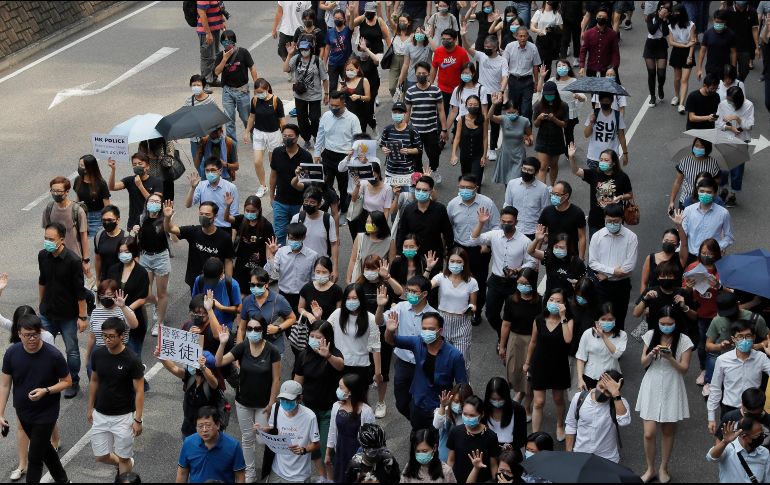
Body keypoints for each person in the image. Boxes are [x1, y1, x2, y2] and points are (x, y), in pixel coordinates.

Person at [0, 315, 71, 484]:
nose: (32, 338)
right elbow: (4, 385)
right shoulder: (12, 353)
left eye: (35, 334)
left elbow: (67, 381)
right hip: (23, 412)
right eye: (27, 335)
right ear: (19, 334)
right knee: (45, 449)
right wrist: (0, 413)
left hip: (46, 413)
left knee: (35, 457)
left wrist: (46, 390)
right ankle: (63, 480)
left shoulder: (53, 355)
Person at [215, 319, 280, 483]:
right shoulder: (243, 346)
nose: (252, 331)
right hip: (243, 402)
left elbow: (276, 379)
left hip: (263, 405)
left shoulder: (272, 351)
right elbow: (218, 362)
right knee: (247, 438)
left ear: (263, 330)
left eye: (257, 328)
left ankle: (269, 471)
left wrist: (272, 402)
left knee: (263, 438)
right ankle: (250, 473)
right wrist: (222, 344)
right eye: (249, 328)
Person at [637, 306, 694, 483]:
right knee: (649, 432)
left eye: (670, 323)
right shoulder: (651, 334)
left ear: (676, 323)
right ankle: (650, 468)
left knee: (668, 431)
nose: (665, 326)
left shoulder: (684, 340)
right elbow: (643, 362)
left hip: (672, 384)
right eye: (662, 323)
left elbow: (684, 369)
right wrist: (652, 353)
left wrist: (670, 358)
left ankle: (663, 467)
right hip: (652, 382)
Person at [375, 276, 438, 420]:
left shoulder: (434, 315)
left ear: (424, 294)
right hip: (403, 364)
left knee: (420, 402)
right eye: (408, 290)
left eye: (414, 291)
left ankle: (420, 430)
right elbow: (379, 321)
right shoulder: (400, 307)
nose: (410, 294)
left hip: (423, 365)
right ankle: (419, 423)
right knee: (401, 404)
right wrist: (380, 306)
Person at [87, 317, 144, 476]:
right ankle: (123, 464)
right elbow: (94, 380)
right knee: (101, 456)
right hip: (100, 414)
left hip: (123, 417)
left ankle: (124, 469)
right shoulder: (98, 354)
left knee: (124, 457)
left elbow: (139, 390)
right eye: (104, 335)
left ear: (121, 336)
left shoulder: (132, 359)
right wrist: (90, 407)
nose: (107, 339)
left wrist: (138, 420)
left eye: (111, 336)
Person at [470, 206, 538, 337]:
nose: (506, 224)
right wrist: (481, 223)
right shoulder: (494, 234)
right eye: (503, 221)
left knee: (511, 314)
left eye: (509, 222)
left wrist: (518, 270)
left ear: (516, 222)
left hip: (514, 283)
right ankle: (503, 335)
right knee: (490, 314)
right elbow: (474, 240)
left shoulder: (524, 241)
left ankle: (505, 339)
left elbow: (532, 262)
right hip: (496, 281)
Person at [38, 222, 88, 399]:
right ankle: (47, 379)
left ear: (61, 239)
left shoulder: (73, 261)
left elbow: (80, 292)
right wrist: (41, 304)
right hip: (47, 313)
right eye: (45, 238)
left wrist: (82, 316)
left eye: (51, 239)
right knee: (42, 346)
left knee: (72, 350)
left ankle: (73, 380)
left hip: (67, 315)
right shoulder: (43, 255)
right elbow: (42, 281)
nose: (47, 242)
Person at [447, 174, 498, 324]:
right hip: (459, 248)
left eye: (469, 188)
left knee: (479, 282)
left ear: (476, 188)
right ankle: (459, 309)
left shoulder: (487, 203)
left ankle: (476, 311)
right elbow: (449, 227)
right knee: (457, 280)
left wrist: (487, 244)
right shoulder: (453, 204)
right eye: (462, 187)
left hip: (479, 249)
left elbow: (496, 226)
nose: (465, 190)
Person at [525, 289, 574, 439]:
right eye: (551, 299)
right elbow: (533, 342)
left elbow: (567, 339)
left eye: (558, 301)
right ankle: (535, 436)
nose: (554, 303)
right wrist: (527, 362)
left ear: (565, 304)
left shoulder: (568, 321)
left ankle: (560, 424)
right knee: (539, 402)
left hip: (558, 365)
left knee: (558, 399)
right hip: (539, 363)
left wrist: (563, 316)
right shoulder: (539, 320)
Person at [708, 320, 770, 433]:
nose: (744, 340)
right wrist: (711, 417)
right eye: (740, 337)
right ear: (733, 339)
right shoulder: (722, 360)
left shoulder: (761, 358)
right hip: (729, 409)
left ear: (754, 337)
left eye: (748, 336)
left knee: (753, 443)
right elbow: (715, 388)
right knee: (727, 444)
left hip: (753, 411)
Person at [459, 27, 508, 162]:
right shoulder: (481, 56)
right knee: (479, 120)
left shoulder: (502, 61)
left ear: (496, 47)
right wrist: (463, 36)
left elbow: (505, 77)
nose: (486, 48)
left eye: (489, 47)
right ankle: (479, 146)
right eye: (485, 46)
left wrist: (501, 91)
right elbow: (468, 49)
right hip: (480, 93)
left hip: (494, 95)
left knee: (494, 121)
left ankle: (492, 148)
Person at [427, 248, 478, 374]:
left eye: (459, 262)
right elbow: (424, 287)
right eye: (452, 261)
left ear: (464, 263)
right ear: (447, 261)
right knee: (441, 361)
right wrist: (428, 269)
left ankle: (463, 390)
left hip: (462, 324)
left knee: (462, 361)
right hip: (443, 323)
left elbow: (473, 304)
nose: (455, 264)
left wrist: (472, 308)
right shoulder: (441, 277)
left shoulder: (472, 282)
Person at [259, 380, 321, 483]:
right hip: (277, 470)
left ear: (299, 399)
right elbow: (272, 428)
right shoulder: (276, 408)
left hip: (299, 476)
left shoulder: (310, 417)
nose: (285, 403)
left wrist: (303, 450)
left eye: (289, 400)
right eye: (282, 399)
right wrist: (261, 430)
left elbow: (316, 444)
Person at [588, 204, 639, 331]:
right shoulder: (597, 236)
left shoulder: (631, 237)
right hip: (601, 285)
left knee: (619, 318)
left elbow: (629, 267)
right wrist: (613, 271)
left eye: (615, 221)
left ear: (622, 219)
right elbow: (592, 262)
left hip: (621, 286)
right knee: (599, 317)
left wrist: (607, 274)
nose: (612, 224)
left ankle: (617, 348)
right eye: (608, 221)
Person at [163, 200, 235, 291]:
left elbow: (228, 261)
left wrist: (228, 283)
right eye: (201, 214)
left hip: (216, 281)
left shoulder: (224, 237)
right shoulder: (193, 231)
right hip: (195, 280)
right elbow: (170, 229)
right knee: (197, 304)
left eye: (207, 214)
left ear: (215, 216)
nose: (203, 217)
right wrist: (167, 218)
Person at [706, 293, 770, 393]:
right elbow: (708, 346)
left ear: (738, 304)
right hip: (728, 367)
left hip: (752, 364)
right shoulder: (717, 320)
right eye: (726, 314)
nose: (729, 316)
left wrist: (758, 346)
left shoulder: (756, 319)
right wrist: (720, 346)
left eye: (731, 312)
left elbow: (768, 339)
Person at [499, 268, 540, 416]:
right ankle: (519, 395)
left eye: (526, 283)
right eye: (520, 283)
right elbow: (506, 324)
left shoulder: (540, 302)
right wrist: (502, 346)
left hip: (532, 341)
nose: (522, 286)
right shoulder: (511, 300)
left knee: (529, 376)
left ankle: (527, 407)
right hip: (515, 339)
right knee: (514, 372)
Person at [314, 90, 362, 218]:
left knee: (344, 187)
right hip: (328, 155)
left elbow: (358, 140)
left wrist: (354, 157)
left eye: (337, 106)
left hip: (345, 157)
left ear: (344, 103)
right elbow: (320, 135)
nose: (333, 108)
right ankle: (330, 207)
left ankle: (344, 211)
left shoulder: (352, 119)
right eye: (331, 105)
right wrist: (317, 153)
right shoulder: (326, 116)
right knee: (325, 185)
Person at [565, 370, 630, 463]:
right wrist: (568, 453)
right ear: (597, 382)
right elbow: (571, 425)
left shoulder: (620, 403)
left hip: (607, 459)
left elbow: (624, 422)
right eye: (601, 387)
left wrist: (616, 395)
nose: (602, 392)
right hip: (581, 456)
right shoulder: (579, 398)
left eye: (608, 391)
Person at [569, 144, 634, 237]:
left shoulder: (622, 177)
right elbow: (576, 171)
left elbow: (630, 194)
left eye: (606, 160)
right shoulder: (594, 173)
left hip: (614, 220)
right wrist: (571, 157)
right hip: (596, 221)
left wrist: (621, 197)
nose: (602, 162)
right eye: (601, 160)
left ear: (614, 162)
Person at [155, 347, 220, 437]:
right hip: (189, 426)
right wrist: (161, 357)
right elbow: (174, 368)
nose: (190, 366)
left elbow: (214, 383)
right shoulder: (190, 376)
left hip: (206, 429)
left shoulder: (212, 381)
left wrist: (203, 367)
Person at [326, 373, 377, 482]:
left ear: (350, 391)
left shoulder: (366, 411)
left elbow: (372, 440)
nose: (338, 390)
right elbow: (332, 430)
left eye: (341, 387)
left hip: (358, 454)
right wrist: (328, 453)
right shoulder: (336, 406)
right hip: (340, 451)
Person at [176, 406, 246, 483]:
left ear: (218, 425)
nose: (204, 430)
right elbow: (182, 472)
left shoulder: (233, 446)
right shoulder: (189, 443)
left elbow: (240, 476)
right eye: (200, 426)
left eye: (208, 425)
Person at [236, 267, 297, 356]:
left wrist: (278, 328)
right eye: (252, 285)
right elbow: (241, 329)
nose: (255, 288)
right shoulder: (247, 301)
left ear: (267, 284)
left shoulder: (279, 300)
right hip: (253, 349)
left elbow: (292, 318)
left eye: (259, 285)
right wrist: (238, 352)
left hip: (274, 349)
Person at [134, 194, 170, 337]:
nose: (154, 203)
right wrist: (134, 231)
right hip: (145, 257)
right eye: (151, 201)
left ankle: (159, 323)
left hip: (161, 257)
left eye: (157, 201)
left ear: (161, 205)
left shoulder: (164, 220)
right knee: (146, 292)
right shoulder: (141, 218)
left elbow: (173, 236)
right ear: (146, 203)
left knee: (162, 293)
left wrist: (168, 218)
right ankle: (157, 305)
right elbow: (134, 241)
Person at [242, 79, 285, 198]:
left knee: (273, 163)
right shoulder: (255, 100)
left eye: (261, 92)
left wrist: (285, 135)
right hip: (259, 133)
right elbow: (251, 117)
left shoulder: (276, 100)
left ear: (267, 89)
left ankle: (275, 185)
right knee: (257, 161)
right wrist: (246, 132)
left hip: (274, 134)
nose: (259, 94)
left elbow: (282, 120)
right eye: (256, 92)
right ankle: (263, 185)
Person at [214, 29, 258, 143]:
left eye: (229, 41)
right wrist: (224, 59)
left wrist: (257, 85)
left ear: (234, 41)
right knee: (229, 120)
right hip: (228, 91)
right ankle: (231, 143)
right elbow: (216, 72)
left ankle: (253, 135)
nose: (227, 44)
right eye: (224, 42)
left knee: (246, 118)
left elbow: (252, 67)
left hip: (242, 90)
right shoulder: (220, 55)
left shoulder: (243, 52)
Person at [270, 124, 312, 245]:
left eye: (290, 136)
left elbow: (307, 183)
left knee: (298, 236)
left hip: (298, 203)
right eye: (284, 136)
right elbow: (273, 175)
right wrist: (271, 196)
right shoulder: (277, 152)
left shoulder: (306, 156)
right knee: (279, 234)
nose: (287, 138)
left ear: (297, 137)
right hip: (280, 202)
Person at [396, 175, 455, 261]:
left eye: (424, 190)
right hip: (413, 255)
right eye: (418, 189)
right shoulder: (408, 209)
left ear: (431, 191)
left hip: (434, 255)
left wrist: (450, 251)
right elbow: (402, 232)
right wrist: (398, 253)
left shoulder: (440, 209)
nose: (420, 192)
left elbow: (448, 232)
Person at [284, 39, 329, 149]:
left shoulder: (318, 61)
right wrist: (289, 55)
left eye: (306, 49)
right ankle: (306, 139)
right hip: (300, 96)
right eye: (302, 49)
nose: (304, 51)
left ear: (311, 49)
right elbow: (286, 69)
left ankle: (315, 136)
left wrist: (326, 94)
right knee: (302, 120)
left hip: (315, 96)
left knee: (314, 118)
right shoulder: (296, 59)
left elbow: (324, 79)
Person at [405, 61, 447, 176]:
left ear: (428, 74)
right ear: (415, 74)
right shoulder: (410, 92)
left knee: (434, 154)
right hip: (415, 131)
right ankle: (419, 177)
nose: (421, 75)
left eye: (424, 73)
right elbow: (407, 111)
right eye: (419, 73)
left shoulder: (435, 90)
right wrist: (404, 128)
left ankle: (434, 169)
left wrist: (444, 129)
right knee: (416, 157)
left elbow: (441, 111)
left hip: (431, 130)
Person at [446, 395, 500, 484]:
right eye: (465, 414)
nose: (467, 418)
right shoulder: (455, 432)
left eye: (472, 415)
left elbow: (493, 465)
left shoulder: (491, 436)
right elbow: (451, 460)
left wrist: (496, 481)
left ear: (481, 415)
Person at [715, 85, 754, 207]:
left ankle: (733, 195)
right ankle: (723, 190)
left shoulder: (748, 105)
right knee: (723, 168)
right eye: (728, 99)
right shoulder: (722, 104)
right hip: (725, 139)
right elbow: (717, 123)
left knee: (737, 170)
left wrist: (737, 119)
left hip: (740, 141)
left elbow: (749, 125)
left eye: (731, 100)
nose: (729, 102)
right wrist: (729, 127)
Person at [575, 302, 627, 391]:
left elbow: (616, 354)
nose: (607, 322)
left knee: (610, 404)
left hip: (612, 378)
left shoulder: (622, 335)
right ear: (597, 320)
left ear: (615, 320)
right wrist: (580, 379)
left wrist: (604, 336)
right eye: (603, 319)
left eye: (610, 319)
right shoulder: (588, 333)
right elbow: (581, 358)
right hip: (590, 376)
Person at [528, 226, 586, 299]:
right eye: (556, 247)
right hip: (550, 297)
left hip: (568, 299)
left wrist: (577, 284)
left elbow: (585, 283)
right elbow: (531, 252)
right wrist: (536, 239)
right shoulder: (549, 256)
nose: (558, 249)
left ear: (569, 248)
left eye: (561, 247)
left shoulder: (577, 262)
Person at [43, 176, 90, 267]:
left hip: (73, 258)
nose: (56, 194)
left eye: (59, 191)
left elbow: (84, 236)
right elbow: (46, 233)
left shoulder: (78, 211)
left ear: (67, 192)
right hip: (53, 256)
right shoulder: (48, 209)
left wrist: (86, 259)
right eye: (53, 191)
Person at [108, 153, 163, 230]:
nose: (137, 166)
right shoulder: (130, 180)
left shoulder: (157, 182)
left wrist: (140, 186)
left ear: (147, 166)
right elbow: (112, 187)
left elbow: (155, 202)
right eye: (134, 164)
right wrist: (113, 170)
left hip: (151, 221)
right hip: (133, 222)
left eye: (140, 164)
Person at [707, 417, 770, 483]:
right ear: (744, 437)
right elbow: (711, 457)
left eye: (762, 433)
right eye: (758, 435)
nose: (762, 437)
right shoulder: (728, 449)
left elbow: (767, 479)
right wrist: (724, 442)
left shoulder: (764, 453)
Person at [681, 177, 735, 256]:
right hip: (692, 255)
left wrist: (719, 247)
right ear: (697, 191)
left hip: (712, 256)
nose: (705, 194)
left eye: (709, 192)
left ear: (715, 194)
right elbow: (683, 235)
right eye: (702, 191)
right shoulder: (688, 211)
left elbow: (729, 236)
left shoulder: (723, 213)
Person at [290, 187, 339, 272]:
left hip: (321, 266)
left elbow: (334, 244)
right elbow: (290, 241)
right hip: (301, 265)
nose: (308, 204)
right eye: (306, 201)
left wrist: (335, 269)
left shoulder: (327, 219)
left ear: (319, 204)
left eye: (312, 202)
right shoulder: (297, 218)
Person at [185, 158, 239, 231]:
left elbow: (234, 215)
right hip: (206, 226)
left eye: (213, 170)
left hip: (224, 228)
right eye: (207, 170)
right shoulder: (201, 185)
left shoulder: (231, 188)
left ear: (220, 171)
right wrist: (192, 188)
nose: (210, 173)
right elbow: (188, 205)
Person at [669, 138, 721, 211]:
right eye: (696, 145)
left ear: (707, 148)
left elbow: (717, 181)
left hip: (705, 201)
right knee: (683, 221)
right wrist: (671, 201)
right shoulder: (685, 161)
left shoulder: (713, 163)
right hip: (686, 200)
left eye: (702, 146)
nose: (698, 148)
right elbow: (677, 182)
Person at [490, 95, 533, 185]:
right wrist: (493, 104)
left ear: (518, 110)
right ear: (505, 111)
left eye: (513, 112)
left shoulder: (524, 121)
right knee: (507, 180)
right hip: (506, 154)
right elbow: (490, 117)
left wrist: (529, 140)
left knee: (516, 180)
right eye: (508, 112)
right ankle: (508, 198)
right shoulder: (503, 119)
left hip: (519, 154)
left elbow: (529, 134)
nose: (511, 114)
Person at [539, 180, 586, 259]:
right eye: (552, 194)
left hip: (571, 256)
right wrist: (536, 254)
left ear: (566, 196)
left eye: (556, 194)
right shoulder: (547, 211)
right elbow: (540, 234)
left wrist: (581, 259)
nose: (553, 196)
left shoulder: (577, 213)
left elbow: (582, 237)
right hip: (551, 256)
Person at [430, 29, 471, 121]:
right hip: (442, 90)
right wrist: (430, 84)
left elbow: (468, 70)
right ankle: (442, 132)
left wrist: (467, 87)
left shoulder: (462, 53)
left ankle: (457, 133)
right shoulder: (438, 52)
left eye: (448, 39)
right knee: (441, 115)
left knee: (458, 117)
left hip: (458, 90)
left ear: (455, 39)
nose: (445, 41)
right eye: (443, 39)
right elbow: (434, 68)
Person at [502, 158, 547, 240]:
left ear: (536, 172)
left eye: (530, 170)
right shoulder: (512, 184)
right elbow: (508, 204)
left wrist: (544, 231)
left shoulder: (543, 189)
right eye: (524, 169)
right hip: (514, 229)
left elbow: (545, 211)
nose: (526, 172)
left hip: (533, 231)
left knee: (531, 253)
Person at [503, 26, 541, 122]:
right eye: (520, 36)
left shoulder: (533, 48)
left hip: (527, 81)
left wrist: (536, 82)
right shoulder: (510, 47)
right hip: (513, 80)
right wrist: (503, 83)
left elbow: (535, 66)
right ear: (516, 36)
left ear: (528, 36)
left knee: (526, 109)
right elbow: (504, 65)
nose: (523, 38)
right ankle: (515, 130)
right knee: (514, 107)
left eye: (524, 36)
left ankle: (527, 133)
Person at [583, 92, 629, 170]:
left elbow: (621, 136)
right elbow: (586, 134)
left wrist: (625, 154)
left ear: (611, 101)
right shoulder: (594, 113)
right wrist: (591, 122)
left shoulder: (617, 116)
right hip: (594, 156)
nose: (605, 103)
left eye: (607, 101)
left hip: (610, 157)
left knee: (609, 181)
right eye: (603, 101)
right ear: (600, 101)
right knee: (596, 181)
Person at [532, 80, 567, 184]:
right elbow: (536, 124)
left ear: (555, 93)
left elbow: (565, 124)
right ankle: (543, 189)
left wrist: (554, 119)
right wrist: (539, 118)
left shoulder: (563, 105)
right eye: (547, 95)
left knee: (554, 165)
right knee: (542, 166)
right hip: (542, 139)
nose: (549, 96)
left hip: (557, 139)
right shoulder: (538, 105)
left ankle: (552, 185)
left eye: (551, 94)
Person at [450, 95, 488, 186]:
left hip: (478, 155)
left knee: (476, 182)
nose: (472, 106)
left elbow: (485, 138)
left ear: (479, 106)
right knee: (466, 181)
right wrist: (453, 154)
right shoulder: (461, 120)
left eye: (475, 104)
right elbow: (457, 138)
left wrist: (484, 156)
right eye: (470, 104)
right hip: (465, 155)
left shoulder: (483, 119)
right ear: (466, 106)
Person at [381, 102, 423, 181]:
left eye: (400, 112)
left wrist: (408, 151)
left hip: (407, 173)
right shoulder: (387, 129)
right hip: (390, 171)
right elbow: (382, 144)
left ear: (405, 114)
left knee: (406, 194)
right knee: (391, 193)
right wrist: (384, 149)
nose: (397, 114)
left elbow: (419, 149)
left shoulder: (412, 131)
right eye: (395, 112)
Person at [483, 376, 527, 451]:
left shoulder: (518, 410)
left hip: (510, 452)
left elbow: (522, 439)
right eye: (493, 399)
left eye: (500, 399)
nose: (497, 402)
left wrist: (511, 447)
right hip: (487, 450)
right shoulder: (482, 408)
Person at [433, 383, 475, 462]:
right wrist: (442, 406)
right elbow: (436, 425)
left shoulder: (470, 417)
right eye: (456, 401)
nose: (458, 405)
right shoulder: (445, 411)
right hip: (445, 458)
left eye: (462, 403)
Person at [668, 4, 697, 114]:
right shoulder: (671, 26)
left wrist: (690, 56)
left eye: (677, 14)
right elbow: (671, 42)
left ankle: (681, 104)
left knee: (684, 79)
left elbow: (693, 41)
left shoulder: (691, 25)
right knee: (677, 78)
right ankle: (677, 96)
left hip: (688, 53)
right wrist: (685, 45)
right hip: (677, 51)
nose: (675, 16)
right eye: (674, 13)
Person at [74, 155, 111, 239]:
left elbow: (107, 206)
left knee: (93, 244)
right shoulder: (78, 180)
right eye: (79, 165)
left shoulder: (101, 183)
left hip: (97, 219)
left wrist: (108, 221)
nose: (80, 168)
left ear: (90, 167)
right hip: (82, 217)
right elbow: (78, 199)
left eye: (83, 166)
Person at [579, 8, 620, 79]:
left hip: (607, 70)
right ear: (596, 18)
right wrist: (582, 66)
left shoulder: (612, 34)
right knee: (591, 89)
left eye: (604, 17)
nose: (601, 18)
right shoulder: (588, 33)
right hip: (591, 68)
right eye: (600, 16)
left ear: (607, 19)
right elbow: (583, 50)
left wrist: (613, 67)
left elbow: (615, 52)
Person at [644, 2, 671, 106]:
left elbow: (665, 33)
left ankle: (660, 86)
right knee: (651, 73)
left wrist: (664, 20)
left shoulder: (667, 19)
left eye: (666, 9)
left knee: (661, 73)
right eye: (662, 8)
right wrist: (659, 17)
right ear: (658, 8)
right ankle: (652, 96)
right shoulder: (651, 16)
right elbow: (652, 30)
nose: (663, 10)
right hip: (650, 46)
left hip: (661, 46)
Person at [697, 10, 738, 80]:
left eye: (721, 22)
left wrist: (733, 69)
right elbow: (702, 51)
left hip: (725, 69)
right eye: (717, 22)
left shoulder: (731, 34)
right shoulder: (707, 33)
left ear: (725, 22)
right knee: (711, 89)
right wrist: (699, 69)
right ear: (713, 21)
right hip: (711, 68)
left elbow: (734, 53)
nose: (718, 24)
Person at [184, 74, 217, 158]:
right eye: (194, 85)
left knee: (209, 164)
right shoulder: (188, 101)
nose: (196, 87)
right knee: (198, 165)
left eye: (198, 85)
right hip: (194, 140)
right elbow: (184, 118)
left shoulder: (210, 100)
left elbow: (217, 119)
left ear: (204, 86)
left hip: (209, 139)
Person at [323, 7, 354, 93]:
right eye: (336, 18)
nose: (337, 20)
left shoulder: (348, 30)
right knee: (332, 86)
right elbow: (327, 48)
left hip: (345, 63)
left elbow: (352, 24)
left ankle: (346, 103)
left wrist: (351, 13)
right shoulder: (330, 32)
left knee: (347, 85)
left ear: (344, 19)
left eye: (340, 18)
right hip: (333, 63)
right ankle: (333, 104)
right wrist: (324, 63)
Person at [195, 0, 225, 87]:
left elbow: (219, 8)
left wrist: (222, 22)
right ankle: (205, 82)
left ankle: (213, 79)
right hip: (206, 32)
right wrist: (208, 33)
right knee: (207, 57)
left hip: (215, 29)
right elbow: (202, 13)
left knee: (215, 55)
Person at [93, 205, 125, 284]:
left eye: (110, 220)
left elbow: (134, 262)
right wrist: (97, 279)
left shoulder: (126, 238)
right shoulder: (98, 236)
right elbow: (98, 259)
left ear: (118, 220)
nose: (106, 222)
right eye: (104, 220)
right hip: (105, 281)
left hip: (122, 281)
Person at [399, 26, 432, 93]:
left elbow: (436, 49)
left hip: (426, 77)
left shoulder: (429, 46)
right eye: (417, 32)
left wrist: (429, 36)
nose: (419, 34)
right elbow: (406, 64)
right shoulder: (409, 46)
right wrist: (401, 77)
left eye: (421, 32)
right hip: (412, 77)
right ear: (413, 34)